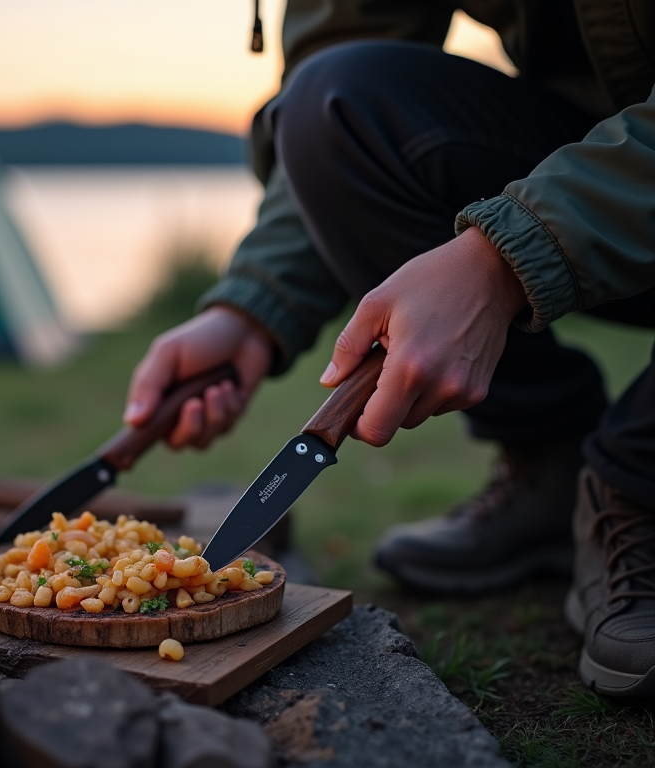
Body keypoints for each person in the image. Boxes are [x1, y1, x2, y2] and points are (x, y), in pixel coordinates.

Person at [123, 2, 655, 697]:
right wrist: (251, 310)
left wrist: (504, 257)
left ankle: (638, 484)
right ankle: (549, 469)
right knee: (332, 99)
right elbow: (352, 41)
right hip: (595, 160)